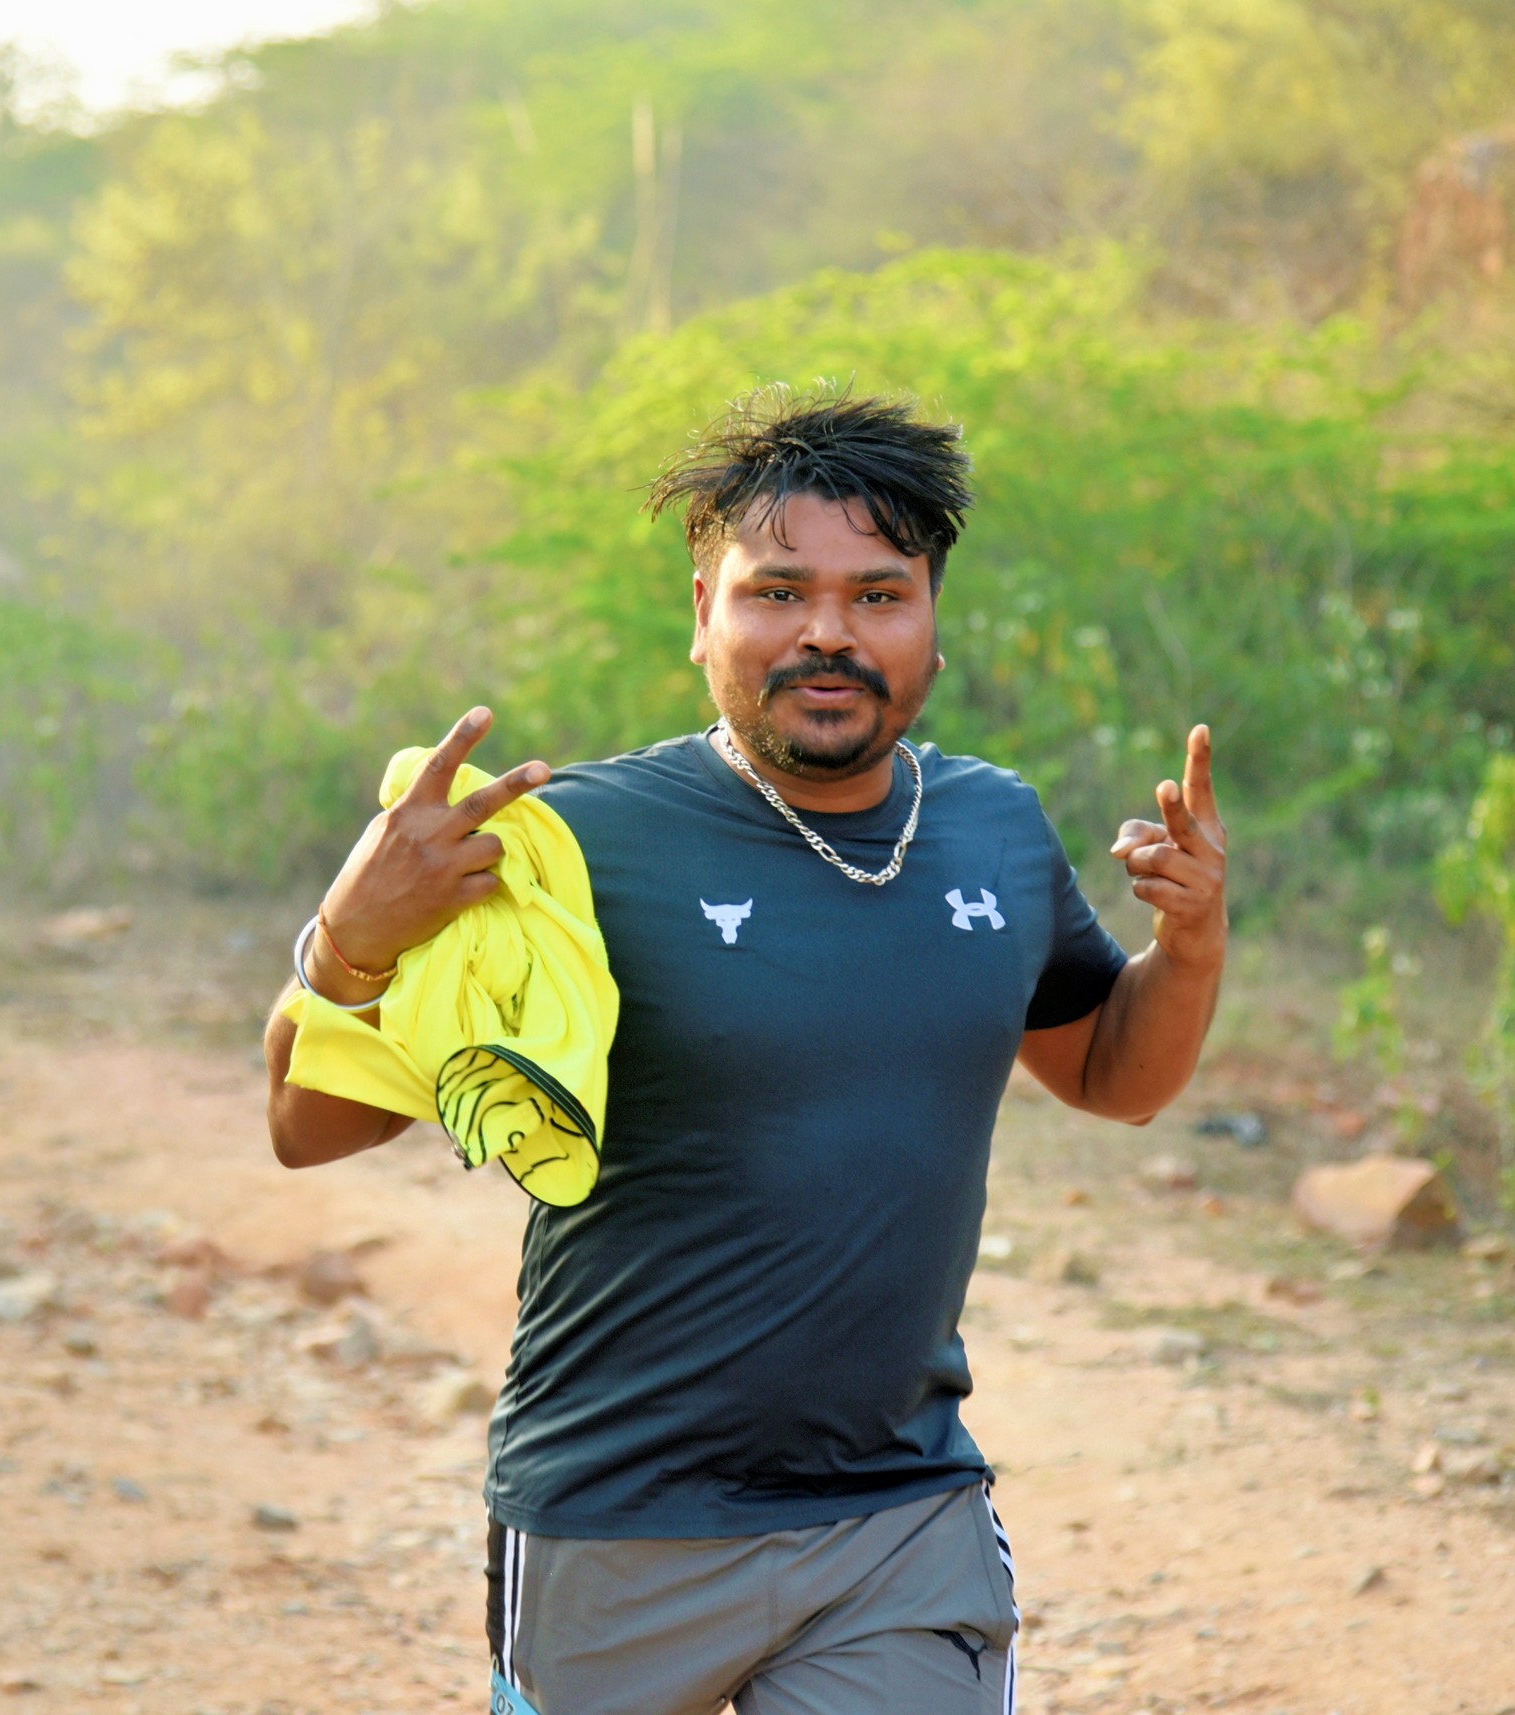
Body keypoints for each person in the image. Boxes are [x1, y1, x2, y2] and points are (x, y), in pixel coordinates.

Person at [263, 389, 1228, 1715]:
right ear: (702, 613)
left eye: (878, 595)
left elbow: (1116, 1078)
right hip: (614, 1520)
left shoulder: (994, 829)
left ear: (933, 622)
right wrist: (349, 941)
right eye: (778, 592)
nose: (829, 631)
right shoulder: (576, 844)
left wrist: (1191, 945)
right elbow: (310, 1129)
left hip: (898, 1519)